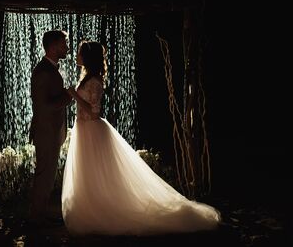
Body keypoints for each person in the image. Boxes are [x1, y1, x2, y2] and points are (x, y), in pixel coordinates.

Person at [62, 41, 221, 236]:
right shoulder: (86, 78)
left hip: (92, 131)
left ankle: (101, 211)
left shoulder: (94, 81)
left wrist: (74, 96)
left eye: (79, 53)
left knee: (97, 174)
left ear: (87, 57)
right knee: (88, 174)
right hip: (84, 130)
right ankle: (90, 208)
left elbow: (95, 112)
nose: (76, 56)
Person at [28, 30, 73, 225]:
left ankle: (41, 213)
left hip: (50, 131)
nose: (67, 48)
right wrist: (68, 97)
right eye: (64, 44)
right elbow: (43, 105)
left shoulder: (50, 69)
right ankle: (37, 217)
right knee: (45, 174)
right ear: (53, 46)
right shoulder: (44, 71)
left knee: (47, 173)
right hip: (46, 131)